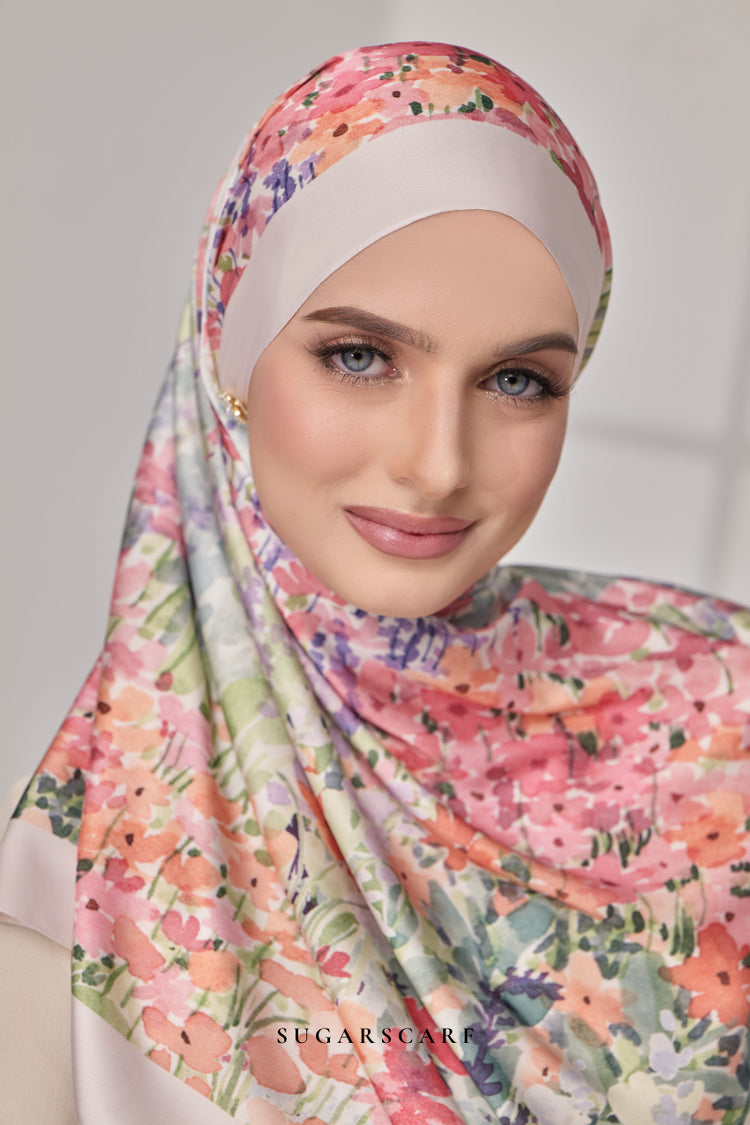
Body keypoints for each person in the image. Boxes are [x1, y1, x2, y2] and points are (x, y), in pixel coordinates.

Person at [0, 40, 748, 1125]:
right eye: (360, 356)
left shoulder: (721, 717)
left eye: (518, 379)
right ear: (231, 354)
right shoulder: (68, 915)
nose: (438, 464)